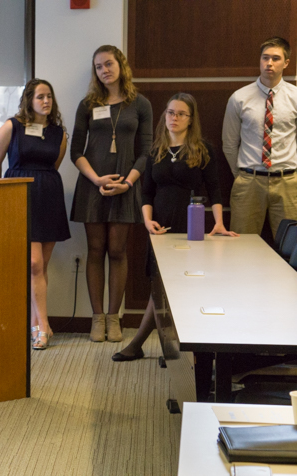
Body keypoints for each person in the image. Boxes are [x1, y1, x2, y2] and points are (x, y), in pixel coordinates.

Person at [113, 93, 238, 361]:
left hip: (189, 225)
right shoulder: (155, 149)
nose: (174, 118)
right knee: (159, 287)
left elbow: (215, 188)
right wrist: (147, 221)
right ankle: (166, 349)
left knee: (180, 288)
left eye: (181, 114)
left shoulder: (203, 149)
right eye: (170, 112)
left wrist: (218, 222)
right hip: (159, 228)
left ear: (191, 120)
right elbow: (146, 193)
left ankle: (155, 347)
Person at [70, 45, 153, 343]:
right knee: (95, 251)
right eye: (98, 67)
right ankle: (97, 318)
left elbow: (146, 153)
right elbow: (76, 151)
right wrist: (96, 179)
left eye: (108, 64)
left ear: (121, 65)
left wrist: (127, 183)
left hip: (125, 187)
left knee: (117, 251)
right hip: (92, 187)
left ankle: (114, 318)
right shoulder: (87, 104)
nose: (104, 70)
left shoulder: (140, 104)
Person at [0, 78, 70, 350]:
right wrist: (0, 197)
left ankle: (36, 325)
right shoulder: (12, 126)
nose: (46, 101)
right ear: (29, 100)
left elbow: (54, 165)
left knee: (41, 266)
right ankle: (43, 326)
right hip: (20, 197)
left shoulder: (60, 133)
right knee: (34, 264)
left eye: (49, 96)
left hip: (48, 196)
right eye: (40, 97)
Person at [222, 36, 297, 237]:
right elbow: (229, 143)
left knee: (290, 249)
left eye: (276, 58)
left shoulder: (295, 97)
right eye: (265, 58)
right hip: (249, 181)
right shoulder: (239, 98)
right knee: (242, 247)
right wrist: (242, 176)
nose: (269, 63)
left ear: (286, 63)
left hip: (288, 182)